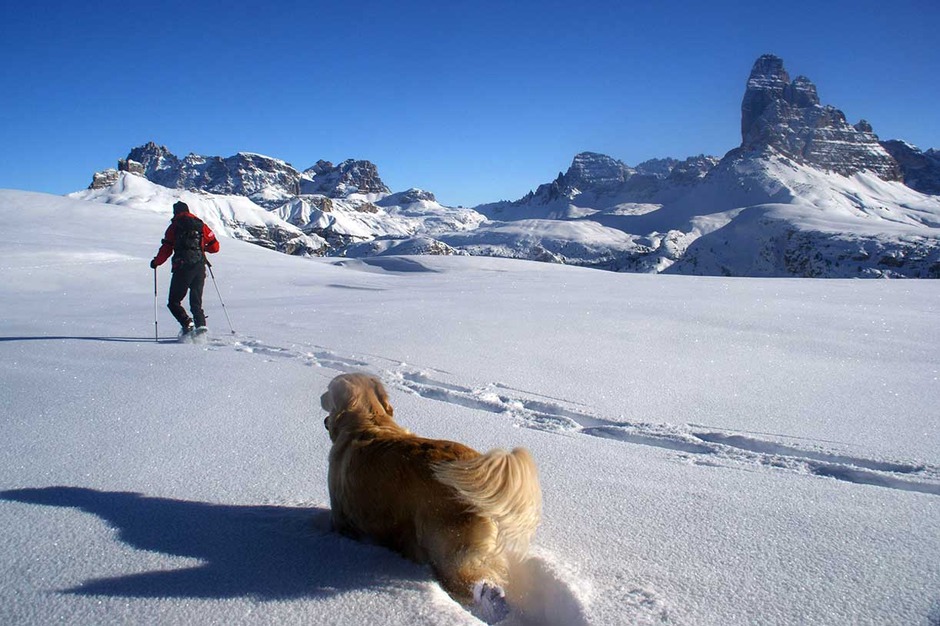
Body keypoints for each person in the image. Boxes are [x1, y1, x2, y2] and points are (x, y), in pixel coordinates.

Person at [150, 201, 220, 334]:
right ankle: (201, 330)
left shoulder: (174, 227)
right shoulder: (201, 225)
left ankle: (187, 324)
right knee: (196, 304)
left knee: (174, 302)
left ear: (175, 213)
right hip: (199, 267)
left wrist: (156, 262)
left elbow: (166, 249)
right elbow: (215, 247)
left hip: (182, 268)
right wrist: (201, 248)